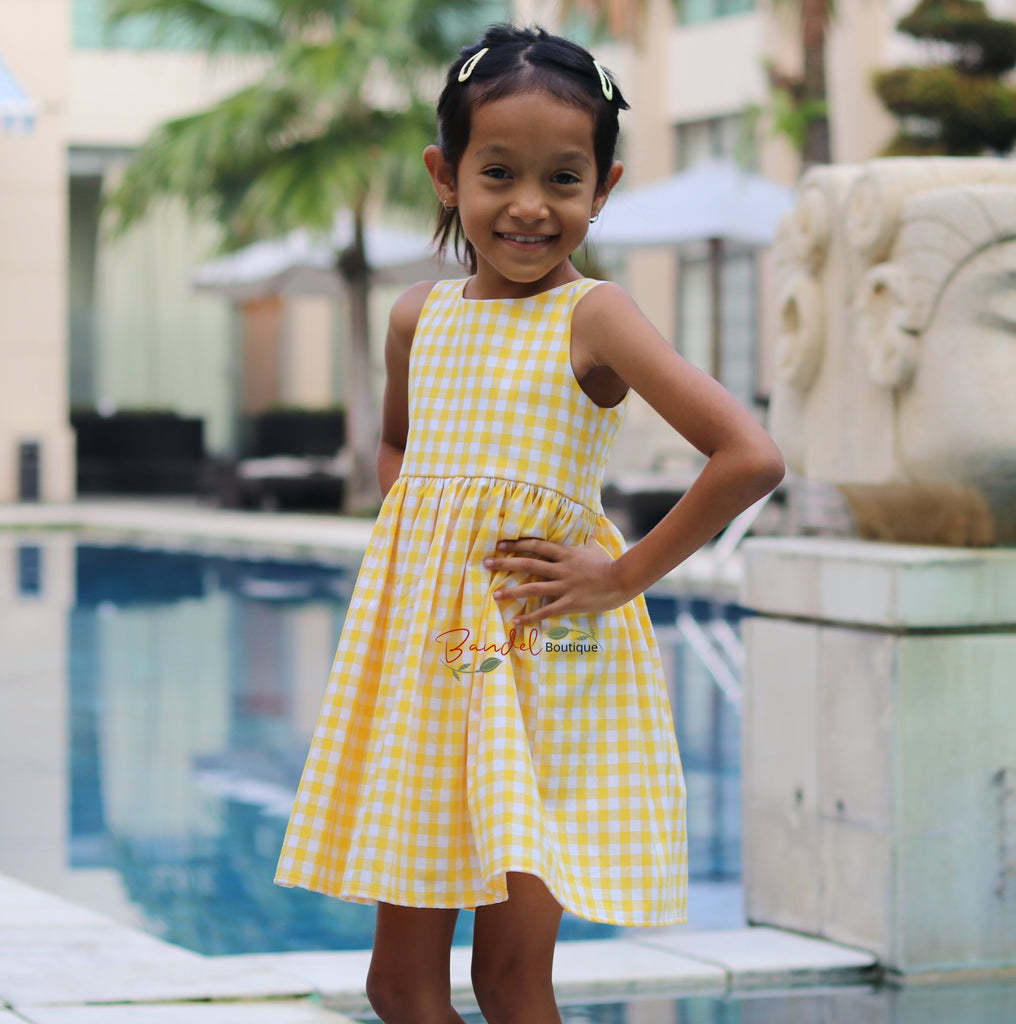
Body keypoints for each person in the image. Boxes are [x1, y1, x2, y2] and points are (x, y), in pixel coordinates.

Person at [275, 24, 785, 1024]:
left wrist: (621, 572)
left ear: (603, 188)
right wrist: (423, 547)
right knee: (396, 985)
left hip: (543, 663)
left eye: (563, 178)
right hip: (430, 666)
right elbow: (397, 452)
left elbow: (748, 456)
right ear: (444, 173)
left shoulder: (592, 317)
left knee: (509, 982)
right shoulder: (418, 318)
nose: (527, 205)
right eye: (497, 171)